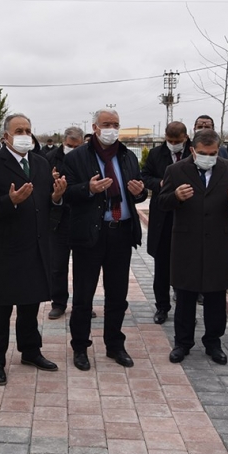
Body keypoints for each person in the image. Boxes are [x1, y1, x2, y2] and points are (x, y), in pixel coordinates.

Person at [0, 113, 64, 385]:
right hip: (7, 250)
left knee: (30, 305)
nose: (25, 134)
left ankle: (30, 351)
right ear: (6, 137)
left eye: (28, 129)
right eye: (19, 130)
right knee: (1, 309)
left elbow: (46, 205)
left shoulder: (40, 163)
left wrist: (57, 198)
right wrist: (8, 201)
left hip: (36, 247)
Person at [63, 108, 147, 370]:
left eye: (116, 124)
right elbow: (67, 195)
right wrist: (87, 188)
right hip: (89, 235)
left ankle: (115, 345)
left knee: (117, 295)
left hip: (120, 233)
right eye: (106, 124)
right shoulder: (77, 157)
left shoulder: (128, 156)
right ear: (95, 127)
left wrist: (140, 192)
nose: (112, 128)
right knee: (83, 296)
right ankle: (80, 347)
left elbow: (139, 192)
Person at [158, 129, 228, 366]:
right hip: (187, 242)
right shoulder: (175, 170)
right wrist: (175, 196)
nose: (209, 157)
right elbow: (162, 203)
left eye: (213, 153)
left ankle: (213, 343)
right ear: (193, 150)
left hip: (218, 241)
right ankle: (182, 343)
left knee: (216, 296)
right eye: (204, 153)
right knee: (185, 296)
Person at [143, 121, 191, 325]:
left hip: (187, 214)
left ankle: (185, 309)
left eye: (177, 141)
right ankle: (162, 307)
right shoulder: (156, 154)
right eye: (170, 141)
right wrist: (160, 183)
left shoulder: (194, 153)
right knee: (162, 266)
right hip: (163, 214)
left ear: (185, 138)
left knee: (186, 266)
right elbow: (144, 176)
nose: (173, 144)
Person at [45, 125, 85, 319]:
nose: (73, 149)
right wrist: (53, 187)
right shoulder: (50, 158)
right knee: (57, 265)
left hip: (83, 218)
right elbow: (42, 191)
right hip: (58, 220)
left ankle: (82, 303)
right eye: (70, 145)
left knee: (84, 267)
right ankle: (58, 303)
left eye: (77, 146)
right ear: (64, 142)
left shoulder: (88, 157)